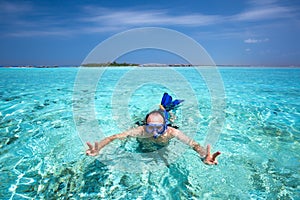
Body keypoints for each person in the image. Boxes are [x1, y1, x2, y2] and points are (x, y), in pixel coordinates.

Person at [86, 93, 221, 165]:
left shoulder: (171, 131)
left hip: (165, 123)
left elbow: (194, 144)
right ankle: (161, 109)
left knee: (170, 114)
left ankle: (165, 109)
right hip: (146, 140)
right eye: (151, 128)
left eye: (159, 128)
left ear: (165, 126)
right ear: (145, 126)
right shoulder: (140, 130)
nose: (155, 132)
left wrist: (204, 155)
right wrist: (100, 147)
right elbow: (113, 137)